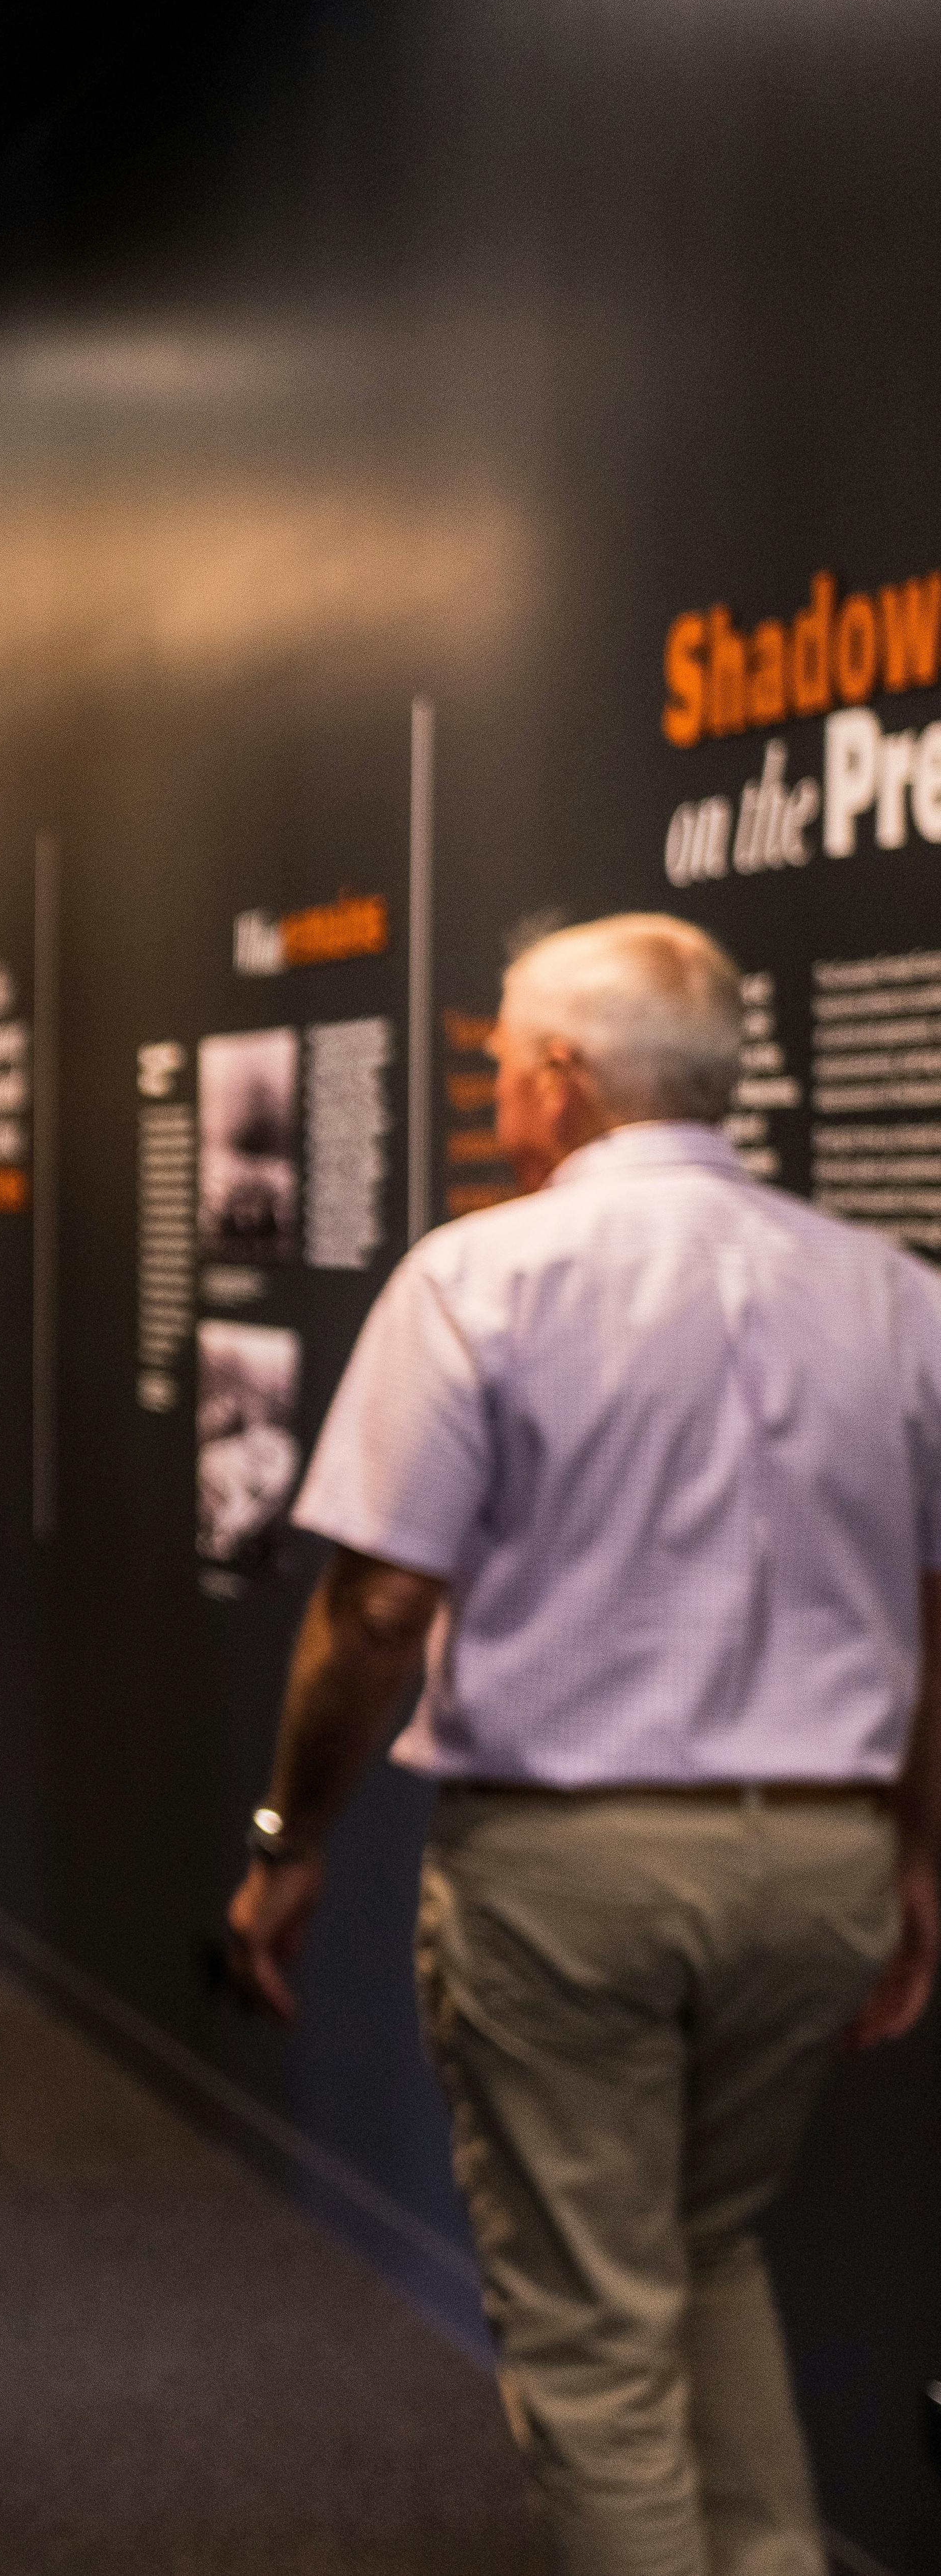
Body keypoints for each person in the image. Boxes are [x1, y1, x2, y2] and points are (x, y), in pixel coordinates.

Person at [224, 911, 941, 2576]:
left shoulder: (483, 1278)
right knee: (707, 2250)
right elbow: (929, 1611)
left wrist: (290, 1837)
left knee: (592, 2340)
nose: (489, 1091)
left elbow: (378, 1613)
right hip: (821, 1862)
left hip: (575, 1874)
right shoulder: (896, 1298)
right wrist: (915, 1852)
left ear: (564, 1079)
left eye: (496, 1063)